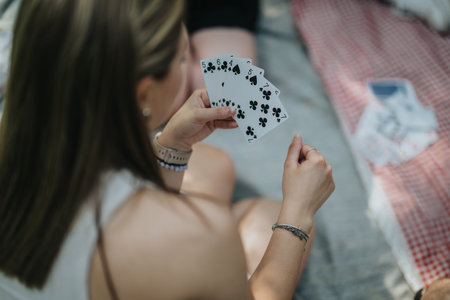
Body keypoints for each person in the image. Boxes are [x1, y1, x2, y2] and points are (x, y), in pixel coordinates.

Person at [0, 0, 335, 299]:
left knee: (215, 165)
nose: (191, 70)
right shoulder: (203, 233)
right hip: (136, 265)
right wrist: (299, 214)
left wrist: (171, 145)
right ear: (144, 94)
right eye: (182, 58)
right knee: (267, 217)